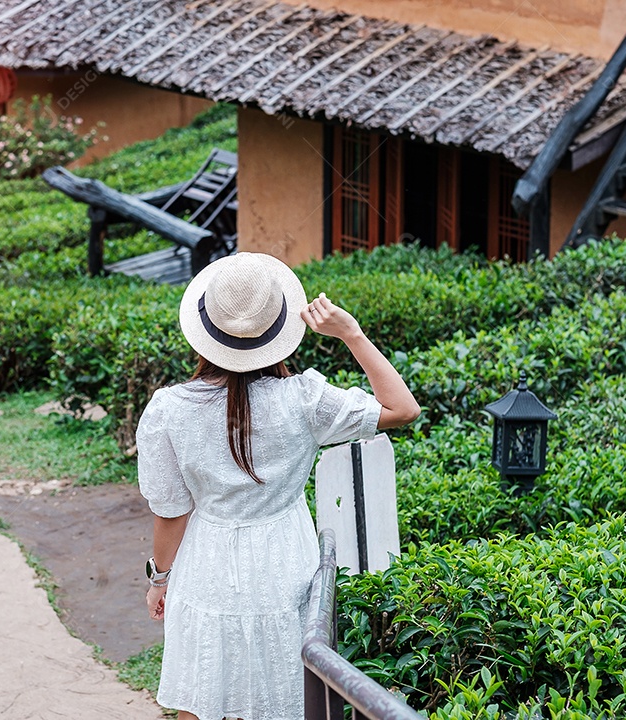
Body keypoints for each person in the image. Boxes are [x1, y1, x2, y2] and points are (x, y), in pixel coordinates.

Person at [136, 252, 420, 720]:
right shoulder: (304, 399)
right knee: (286, 693)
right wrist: (351, 333)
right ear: (279, 331)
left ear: (205, 335)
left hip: (205, 565)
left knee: (202, 688)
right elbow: (403, 409)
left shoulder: (169, 409)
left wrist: (160, 579)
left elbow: (170, 511)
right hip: (285, 564)